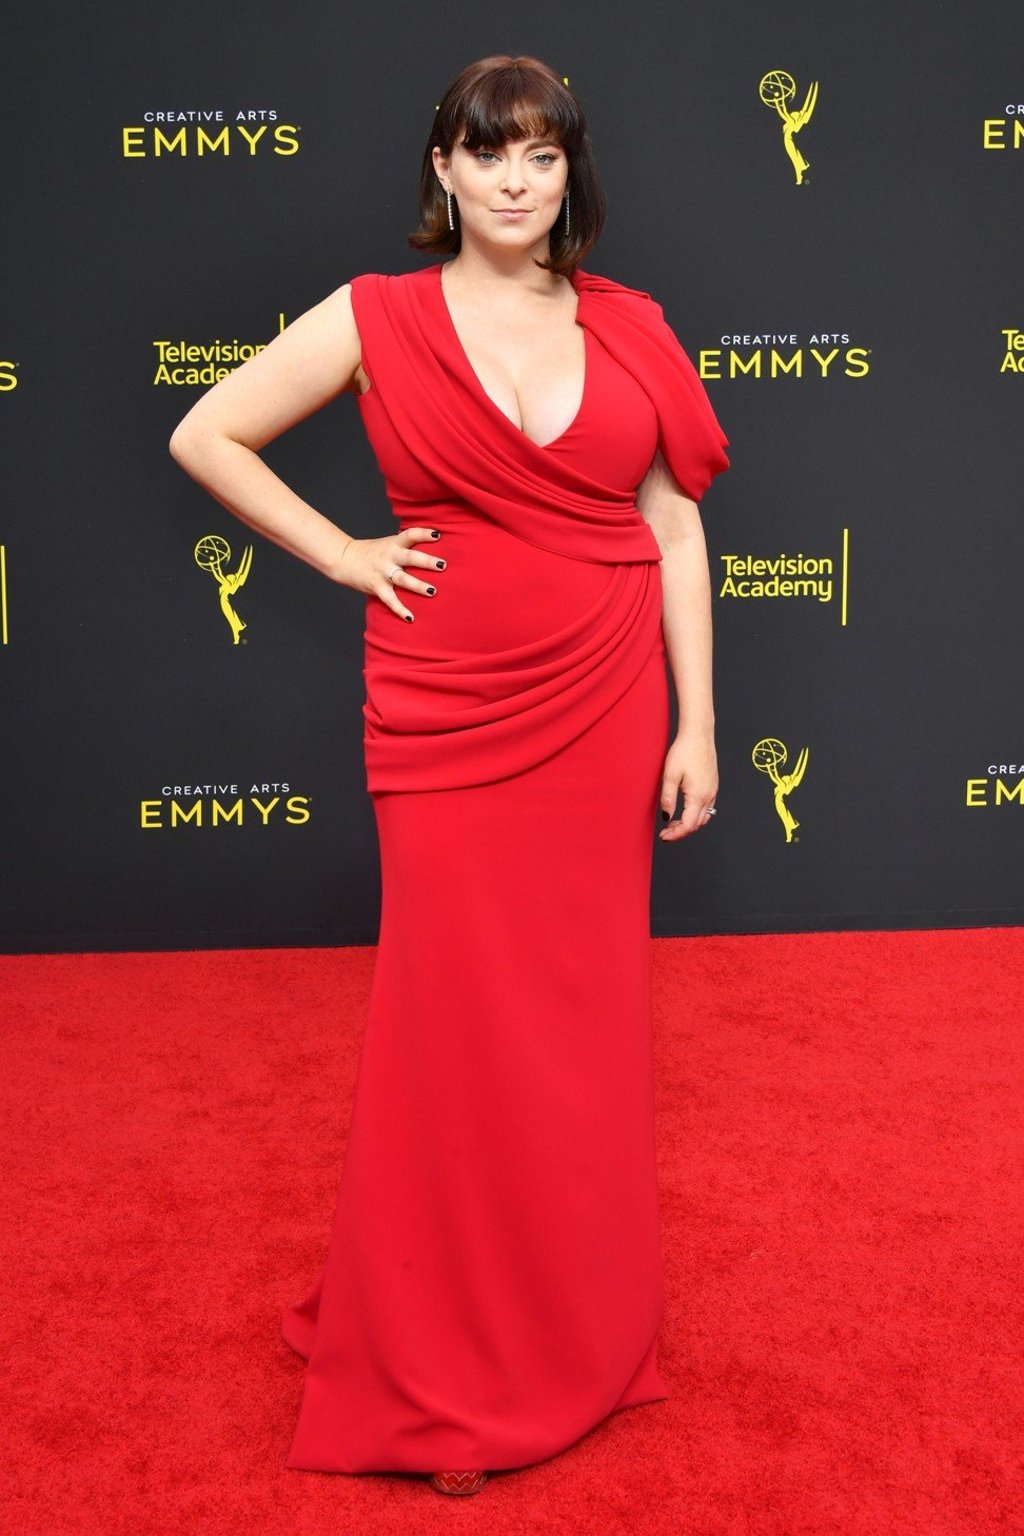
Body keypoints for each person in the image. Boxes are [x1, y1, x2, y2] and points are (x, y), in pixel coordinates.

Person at [169, 53, 729, 1497]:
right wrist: (344, 554)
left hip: (606, 703)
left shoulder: (633, 326)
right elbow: (204, 430)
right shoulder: (377, 314)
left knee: (580, 1026)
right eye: (489, 153)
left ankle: (576, 1335)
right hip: (446, 712)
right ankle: (436, 1358)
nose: (516, 181)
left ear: (569, 170)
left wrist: (699, 725)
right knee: (451, 1022)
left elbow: (675, 528)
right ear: (444, 168)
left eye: (542, 155)